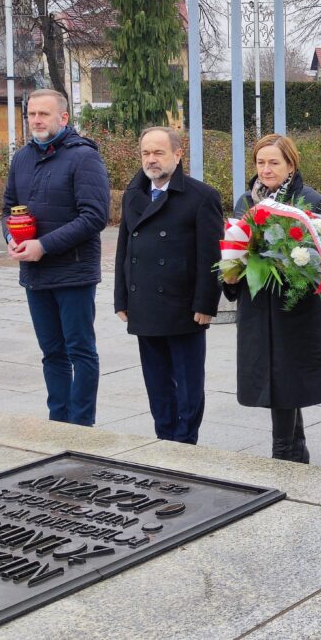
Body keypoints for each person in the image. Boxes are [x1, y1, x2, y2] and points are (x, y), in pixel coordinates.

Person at [221, 135, 321, 462]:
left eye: (274, 162)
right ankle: (294, 452)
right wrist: (230, 274)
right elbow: (235, 250)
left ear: (291, 164)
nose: (266, 169)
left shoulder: (310, 200)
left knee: (286, 386)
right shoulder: (247, 201)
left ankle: (284, 454)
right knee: (276, 388)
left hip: (294, 313)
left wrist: (283, 263)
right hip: (259, 310)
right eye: (261, 162)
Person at [2, 89, 109, 426]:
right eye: (32, 114)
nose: (36, 120)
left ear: (64, 118)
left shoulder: (84, 157)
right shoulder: (21, 158)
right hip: (35, 274)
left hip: (74, 272)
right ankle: (58, 423)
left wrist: (43, 246)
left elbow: (94, 217)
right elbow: (8, 208)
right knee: (52, 353)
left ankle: (80, 426)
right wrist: (12, 238)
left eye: (44, 114)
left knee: (80, 351)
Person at [114, 127, 223, 444]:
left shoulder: (201, 196)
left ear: (178, 154)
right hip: (145, 305)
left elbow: (211, 256)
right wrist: (122, 297)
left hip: (183, 307)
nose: (151, 159)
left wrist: (205, 303)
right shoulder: (133, 195)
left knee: (188, 384)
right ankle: (164, 437)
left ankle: (186, 442)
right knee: (157, 381)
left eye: (158, 152)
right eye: (146, 153)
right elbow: (125, 249)